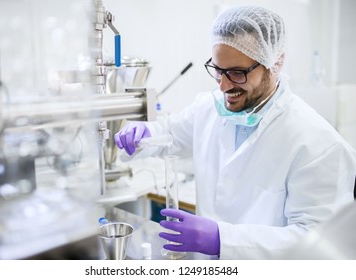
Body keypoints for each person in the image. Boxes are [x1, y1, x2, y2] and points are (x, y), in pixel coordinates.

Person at [114, 5, 356, 259]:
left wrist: (223, 239)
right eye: (218, 70)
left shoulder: (318, 143)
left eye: (237, 73)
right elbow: (169, 133)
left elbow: (318, 246)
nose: (224, 85)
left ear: (274, 63)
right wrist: (143, 133)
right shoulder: (208, 108)